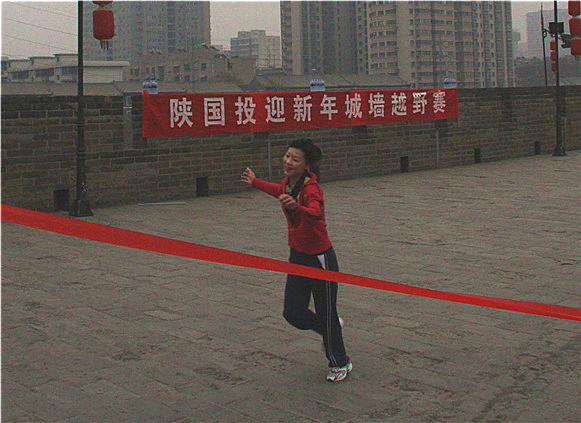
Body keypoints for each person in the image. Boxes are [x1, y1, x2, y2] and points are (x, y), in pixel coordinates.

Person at [241, 138, 352, 382]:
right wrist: (255, 182)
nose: (288, 161)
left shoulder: (312, 189)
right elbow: (278, 191)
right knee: (292, 312)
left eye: (295, 159)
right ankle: (329, 328)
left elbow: (316, 212)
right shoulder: (288, 184)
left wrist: (297, 208)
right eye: (288, 156)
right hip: (298, 256)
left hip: (319, 257)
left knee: (325, 310)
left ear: (306, 165)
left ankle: (340, 362)